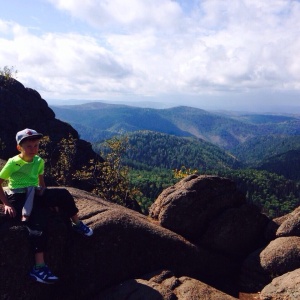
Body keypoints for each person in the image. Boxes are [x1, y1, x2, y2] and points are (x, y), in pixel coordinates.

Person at [0, 128, 93, 284]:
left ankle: (77, 223)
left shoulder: (39, 161)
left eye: (36, 145)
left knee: (63, 193)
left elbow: (41, 181)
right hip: (19, 195)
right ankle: (39, 267)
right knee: (37, 222)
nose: (33, 149)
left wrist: (48, 198)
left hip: (36, 192)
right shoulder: (13, 163)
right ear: (19, 147)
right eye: (29, 146)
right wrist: (7, 204)